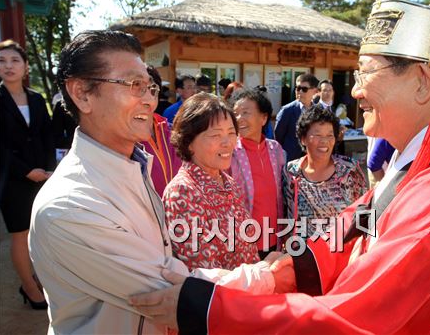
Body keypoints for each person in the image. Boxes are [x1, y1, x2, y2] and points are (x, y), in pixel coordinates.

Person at [129, 0, 430, 333]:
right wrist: (286, 270)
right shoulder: (429, 164)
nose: (357, 89)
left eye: (367, 71)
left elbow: (355, 319)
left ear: (421, 81)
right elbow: (358, 224)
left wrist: (207, 308)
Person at [29, 31, 277, 334]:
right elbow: (166, 289)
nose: (149, 99)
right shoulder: (71, 205)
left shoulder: (136, 167)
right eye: (134, 85)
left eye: (150, 87)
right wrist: (268, 276)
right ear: (82, 93)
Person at [163, 92, 260, 270]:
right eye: (216, 135)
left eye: (232, 133)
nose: (227, 143)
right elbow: (204, 273)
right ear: (189, 141)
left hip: (250, 291)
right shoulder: (183, 192)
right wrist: (262, 274)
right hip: (223, 296)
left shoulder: (228, 182)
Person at [0, 40, 55, 310]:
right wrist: (26, 172)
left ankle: (42, 278)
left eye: (15, 60)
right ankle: (29, 287)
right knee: (20, 234)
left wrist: (47, 168)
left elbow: (46, 136)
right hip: (12, 180)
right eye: (2, 61)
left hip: (42, 177)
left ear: (25, 66)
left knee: (42, 231)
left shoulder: (36, 98)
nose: (8, 66)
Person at [283, 105, 367, 239]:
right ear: (303, 139)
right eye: (317, 135)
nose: (324, 141)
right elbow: (286, 215)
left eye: (329, 135)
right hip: (302, 253)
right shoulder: (291, 172)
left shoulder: (348, 170)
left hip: (340, 251)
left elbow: (364, 210)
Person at [229, 89, 286, 259]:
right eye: (236, 114)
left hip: (275, 237)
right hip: (242, 241)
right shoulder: (230, 152)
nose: (239, 119)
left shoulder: (275, 149)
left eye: (245, 113)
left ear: (263, 118)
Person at [140, 66, 182, 196]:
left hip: (179, 209)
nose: (147, 97)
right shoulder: (123, 136)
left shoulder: (170, 131)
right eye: (139, 89)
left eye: (152, 89)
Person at [274, 73, 319, 161]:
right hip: (290, 158)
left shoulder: (317, 111)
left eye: (304, 89)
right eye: (298, 88)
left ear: (314, 91)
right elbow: (278, 136)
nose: (300, 92)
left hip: (311, 158)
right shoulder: (287, 110)